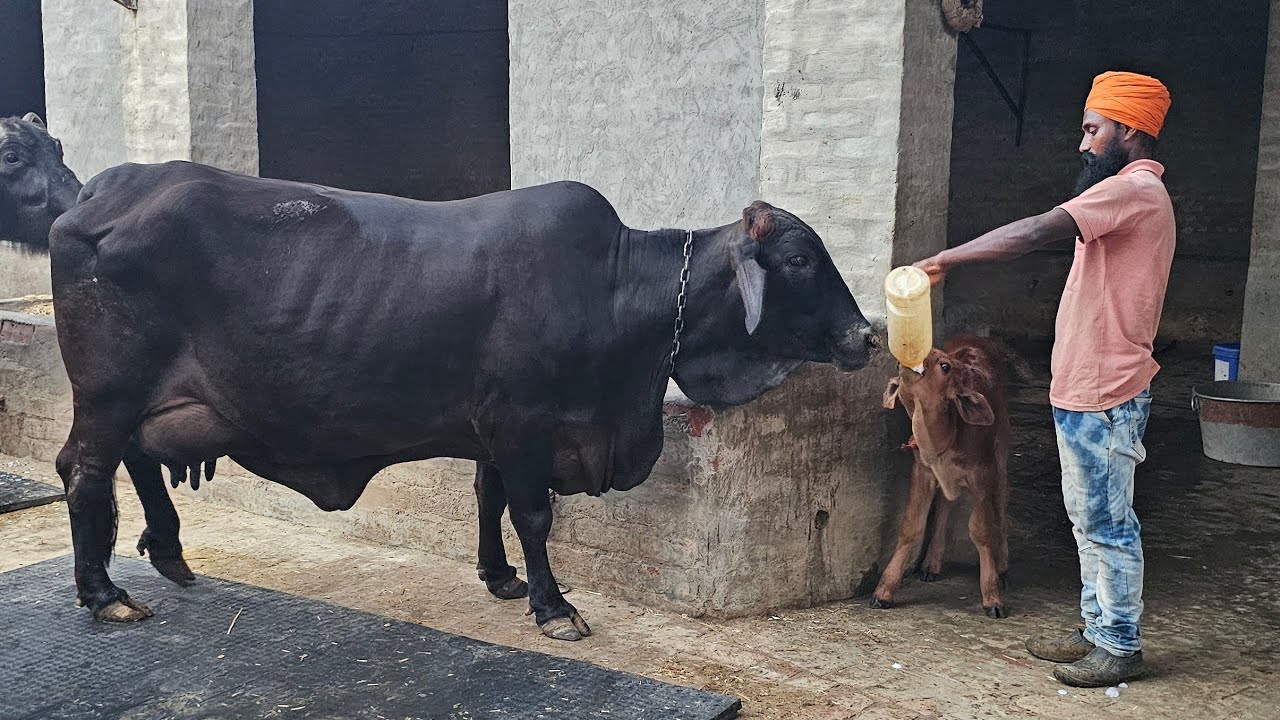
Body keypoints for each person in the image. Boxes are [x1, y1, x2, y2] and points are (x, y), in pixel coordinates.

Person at [913, 71, 1174, 688]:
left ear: (1129, 130)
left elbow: (1033, 232)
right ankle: (1096, 629)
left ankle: (1118, 645)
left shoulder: (1134, 190)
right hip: (1087, 390)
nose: (1083, 145)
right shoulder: (1122, 199)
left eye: (1093, 129)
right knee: (1087, 519)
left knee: (1108, 522)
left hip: (1106, 393)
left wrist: (948, 258)